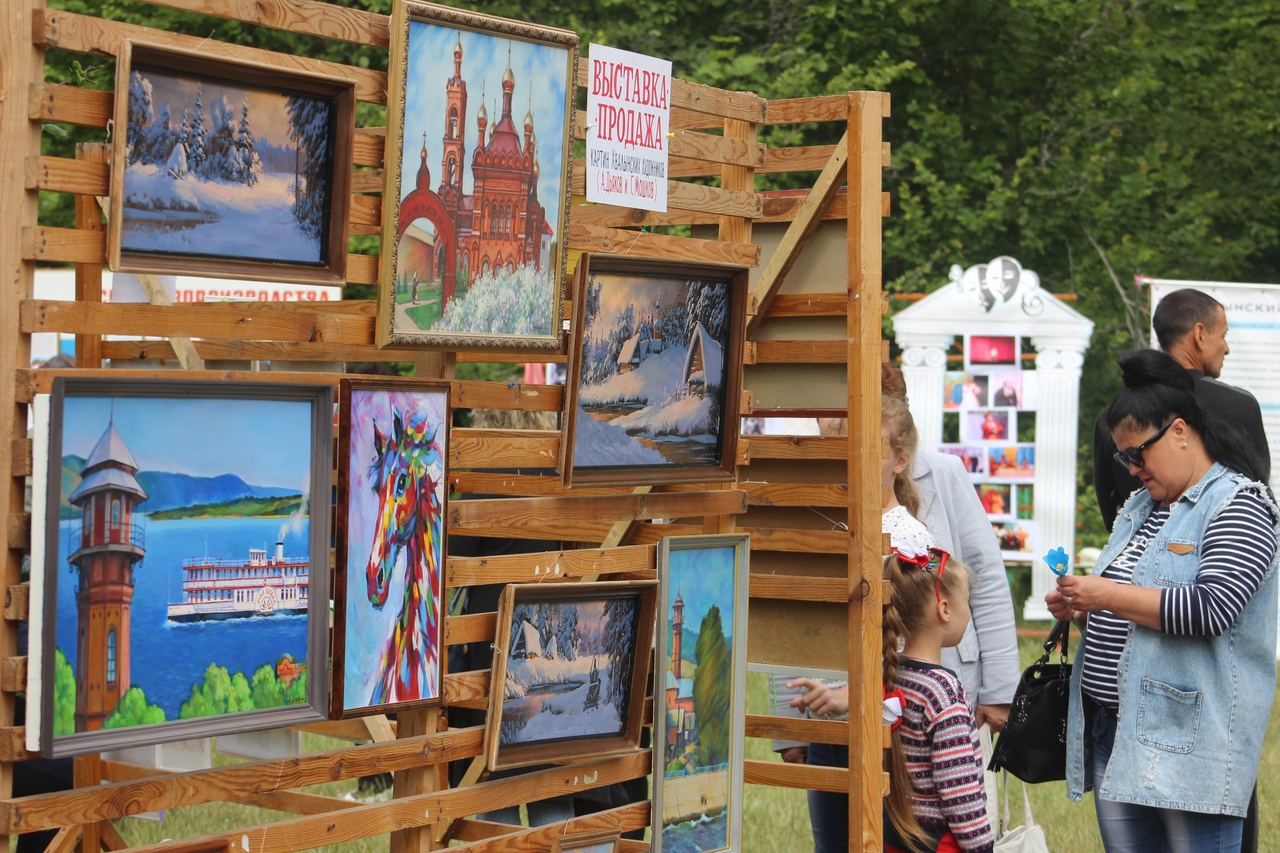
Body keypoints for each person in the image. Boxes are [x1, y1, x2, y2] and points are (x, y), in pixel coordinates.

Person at [1051, 349, 1279, 853]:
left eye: (1138, 453)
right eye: (1123, 457)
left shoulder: (1241, 504)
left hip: (1187, 745)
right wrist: (1085, 604)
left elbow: (1212, 608)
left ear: (1179, 431)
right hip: (1118, 729)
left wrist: (1108, 593)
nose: (1131, 470)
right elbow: (1141, 596)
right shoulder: (1142, 505)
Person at [792, 538, 994, 853]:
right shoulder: (944, 693)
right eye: (967, 600)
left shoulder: (892, 678)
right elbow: (959, 791)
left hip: (897, 837)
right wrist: (982, 847)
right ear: (944, 609)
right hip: (941, 843)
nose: (969, 609)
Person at [1094, 288, 1271, 531]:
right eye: (1223, 335)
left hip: (1136, 554)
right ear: (1199, 334)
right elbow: (1257, 498)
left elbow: (1113, 519)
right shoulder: (1237, 405)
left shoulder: (1112, 417)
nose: (1226, 347)